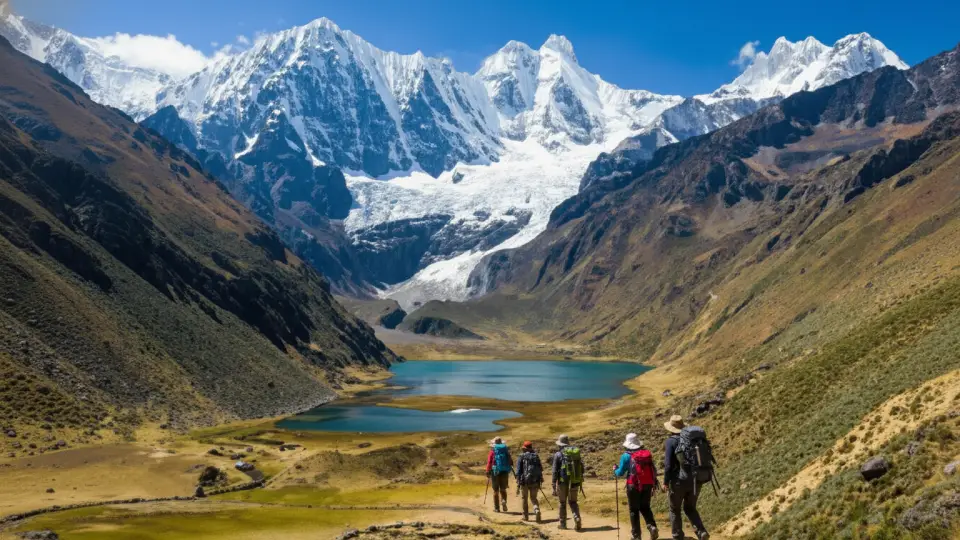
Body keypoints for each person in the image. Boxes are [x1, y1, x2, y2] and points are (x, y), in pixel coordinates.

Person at [663, 415, 709, 540]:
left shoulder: (670, 441)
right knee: (690, 508)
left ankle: (677, 535)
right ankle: (701, 532)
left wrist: (665, 482)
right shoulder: (691, 440)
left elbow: (667, 465)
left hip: (678, 481)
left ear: (670, 428)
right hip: (696, 479)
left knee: (674, 509)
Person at [614, 433, 659, 540]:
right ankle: (652, 526)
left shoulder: (626, 456)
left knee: (634, 510)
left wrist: (614, 469)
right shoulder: (646, 454)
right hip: (647, 484)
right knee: (645, 507)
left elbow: (620, 473)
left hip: (633, 485)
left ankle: (636, 536)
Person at [551, 434, 584, 531]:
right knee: (573, 502)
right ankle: (577, 518)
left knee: (562, 502)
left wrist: (553, 483)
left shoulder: (558, 454)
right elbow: (582, 468)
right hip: (574, 481)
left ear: (560, 444)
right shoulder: (575, 453)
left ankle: (563, 524)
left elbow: (554, 470)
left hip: (562, 482)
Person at [514, 440, 544, 522]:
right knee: (533, 498)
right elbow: (541, 469)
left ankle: (525, 516)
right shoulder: (536, 456)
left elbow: (518, 471)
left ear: (525, 448)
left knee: (524, 498)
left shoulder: (521, 456)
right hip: (535, 480)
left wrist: (518, 481)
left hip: (524, 481)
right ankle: (536, 509)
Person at [486, 436, 514, 512]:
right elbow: (511, 461)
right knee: (503, 489)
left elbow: (489, 462)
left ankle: (497, 508)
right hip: (504, 471)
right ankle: (504, 501)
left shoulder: (492, 451)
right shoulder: (505, 451)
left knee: (496, 490)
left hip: (495, 471)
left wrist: (487, 471)